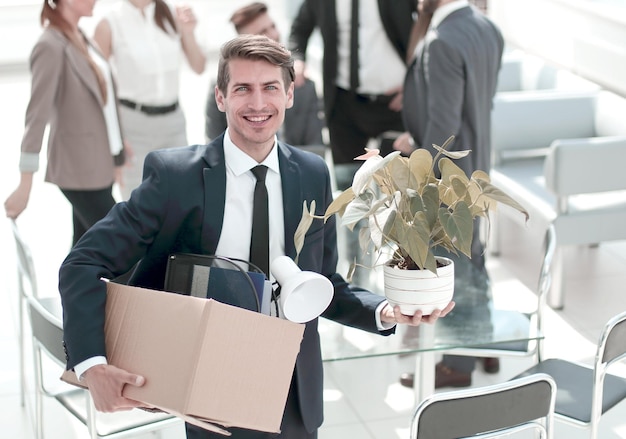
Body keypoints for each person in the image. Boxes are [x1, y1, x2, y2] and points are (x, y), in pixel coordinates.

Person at [58, 34, 455, 439]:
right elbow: (83, 263)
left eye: (270, 88)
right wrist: (92, 366)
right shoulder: (175, 178)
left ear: (289, 96)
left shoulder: (313, 174)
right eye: (242, 89)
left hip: (293, 390)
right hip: (207, 383)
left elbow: (325, 284)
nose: (258, 104)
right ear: (220, 97)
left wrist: (385, 310)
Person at [394, 0, 504, 389]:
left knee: (457, 264)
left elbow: (443, 132)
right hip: (479, 166)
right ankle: (485, 343)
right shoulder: (487, 27)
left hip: (451, 180)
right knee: (474, 256)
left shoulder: (441, 40)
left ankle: (458, 364)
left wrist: (417, 155)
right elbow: (477, 105)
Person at [4, 0, 126, 246]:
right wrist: (25, 181)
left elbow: (103, 101)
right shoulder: (50, 45)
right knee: (122, 240)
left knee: (85, 247)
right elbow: (36, 116)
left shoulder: (80, 36)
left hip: (98, 163)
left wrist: (119, 146)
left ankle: (75, 286)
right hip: (77, 168)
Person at [287, 0, 416, 189]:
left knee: (400, 191)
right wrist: (297, 61)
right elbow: (299, 29)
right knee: (349, 190)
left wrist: (414, 86)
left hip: (396, 105)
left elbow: (428, 27)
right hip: (344, 104)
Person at [93, 0, 206, 200]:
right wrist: (113, 137)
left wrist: (188, 32)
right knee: (138, 203)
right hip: (133, 127)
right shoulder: (110, 23)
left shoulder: (174, 13)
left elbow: (199, 66)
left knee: (183, 200)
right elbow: (98, 87)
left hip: (174, 123)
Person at [205, 2, 324, 146]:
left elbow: (315, 148)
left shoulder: (303, 85)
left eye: (272, 26)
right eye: (263, 33)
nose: (273, 35)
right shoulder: (223, 87)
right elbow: (214, 148)